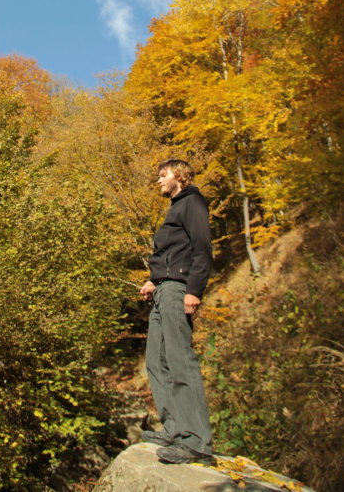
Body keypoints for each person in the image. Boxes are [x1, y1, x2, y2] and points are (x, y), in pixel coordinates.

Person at [139, 158, 214, 465]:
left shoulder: (193, 202)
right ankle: (174, 428)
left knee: (180, 360)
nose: (158, 180)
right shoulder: (175, 208)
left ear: (180, 177)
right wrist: (153, 279)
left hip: (178, 290)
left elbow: (202, 248)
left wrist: (194, 290)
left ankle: (196, 441)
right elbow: (171, 253)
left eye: (163, 175)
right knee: (156, 360)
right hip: (163, 290)